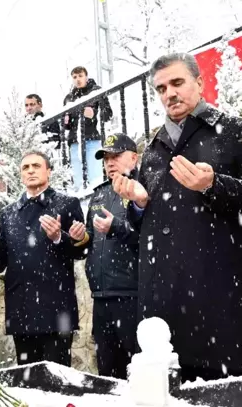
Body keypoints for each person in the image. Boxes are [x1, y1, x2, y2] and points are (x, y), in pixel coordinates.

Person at [113, 53, 242, 382]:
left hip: (219, 306)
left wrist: (213, 185)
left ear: (199, 82)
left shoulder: (236, 132)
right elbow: (141, 229)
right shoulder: (153, 150)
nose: (169, 93)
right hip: (163, 313)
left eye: (177, 82)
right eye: (160, 88)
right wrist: (139, 204)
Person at [0, 150, 87, 366]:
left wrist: (59, 237)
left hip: (57, 310)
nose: (30, 171)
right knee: (27, 387)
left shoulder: (68, 205)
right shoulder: (8, 214)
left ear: (48, 171)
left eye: (36, 166)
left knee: (58, 385)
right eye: (25, 167)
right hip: (21, 310)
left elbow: (80, 252)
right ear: (20, 175)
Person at [70, 132, 140, 379]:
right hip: (100, 296)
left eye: (116, 156)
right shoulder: (99, 194)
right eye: (106, 158)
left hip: (132, 296)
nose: (110, 162)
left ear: (134, 157)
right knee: (107, 374)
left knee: (138, 371)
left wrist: (117, 228)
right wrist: (80, 237)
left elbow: (147, 239)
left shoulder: (141, 189)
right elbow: (90, 240)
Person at [63, 66, 113, 191]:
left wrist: (94, 113)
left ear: (86, 76)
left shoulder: (96, 92)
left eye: (80, 76)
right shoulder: (69, 98)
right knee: (78, 178)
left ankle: (97, 200)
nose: (78, 79)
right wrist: (66, 122)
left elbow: (108, 114)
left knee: (95, 176)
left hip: (92, 138)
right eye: (74, 77)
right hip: (74, 140)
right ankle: (82, 200)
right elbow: (66, 125)